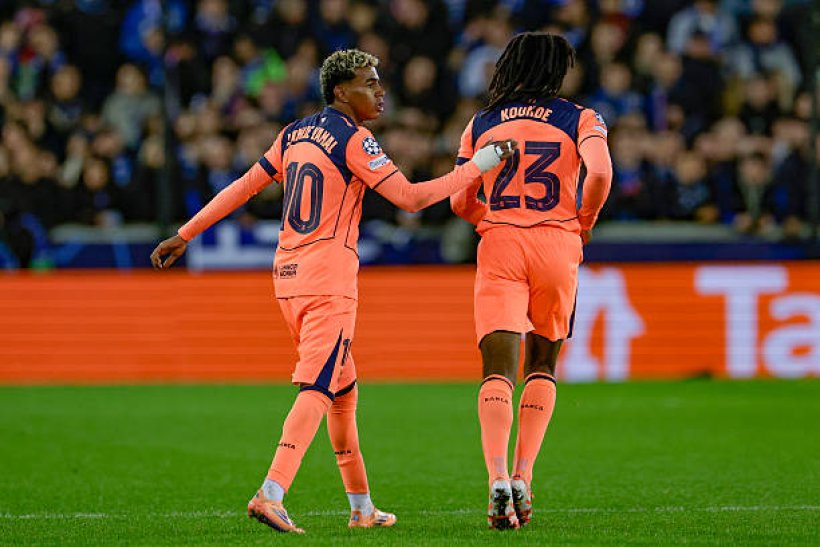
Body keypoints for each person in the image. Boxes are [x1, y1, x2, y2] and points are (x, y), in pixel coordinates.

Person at [150, 48, 515, 534]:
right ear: (341, 91)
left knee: (342, 391)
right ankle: (271, 492)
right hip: (328, 281)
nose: (380, 91)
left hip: (288, 278)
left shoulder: (294, 133)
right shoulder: (354, 139)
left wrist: (185, 233)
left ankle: (362, 507)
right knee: (319, 387)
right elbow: (410, 198)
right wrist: (480, 165)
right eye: (369, 82)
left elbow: (244, 186)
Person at [450, 33, 612, 530]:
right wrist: (582, 221)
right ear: (557, 70)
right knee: (542, 363)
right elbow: (600, 173)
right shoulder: (581, 118)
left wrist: (488, 218)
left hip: (501, 243)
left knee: (497, 369)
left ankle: (497, 476)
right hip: (557, 244)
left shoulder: (481, 122)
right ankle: (523, 475)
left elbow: (458, 198)